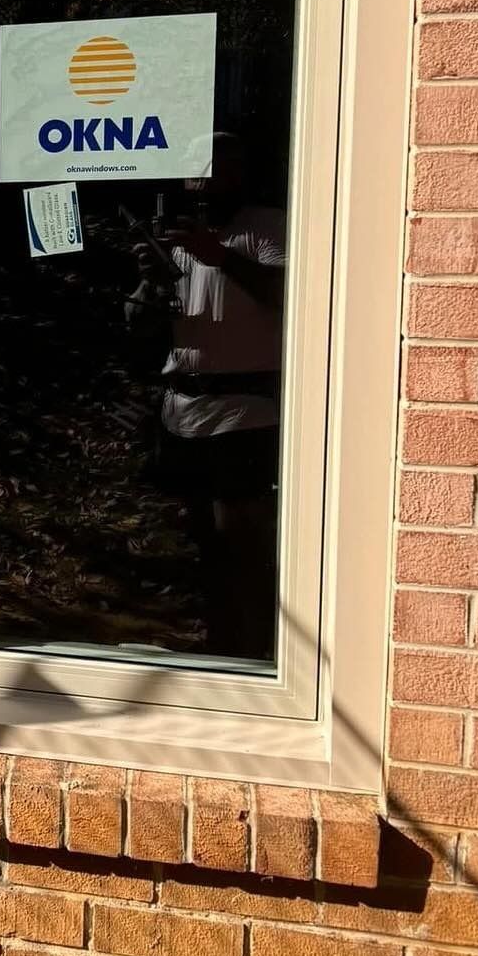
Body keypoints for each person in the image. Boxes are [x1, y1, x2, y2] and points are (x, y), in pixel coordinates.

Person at [131, 132, 285, 660]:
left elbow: (291, 295)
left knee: (243, 548)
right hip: (181, 413)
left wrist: (219, 256)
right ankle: (215, 652)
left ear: (239, 171)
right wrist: (145, 285)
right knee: (199, 549)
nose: (199, 179)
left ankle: (254, 657)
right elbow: (140, 332)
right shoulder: (177, 240)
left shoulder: (267, 226)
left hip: (245, 412)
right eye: (191, 170)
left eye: (213, 167)